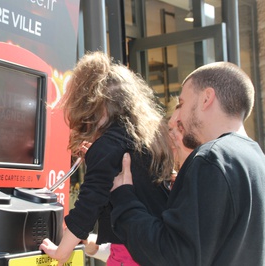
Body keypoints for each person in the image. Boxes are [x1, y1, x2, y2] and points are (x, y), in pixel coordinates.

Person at [110, 61, 265, 265]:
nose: (178, 116)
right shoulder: (256, 159)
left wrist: (124, 199)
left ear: (207, 98)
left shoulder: (211, 158)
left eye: (181, 103)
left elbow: (174, 256)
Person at [39, 51, 174, 265]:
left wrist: (62, 251)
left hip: (130, 255)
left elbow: (90, 202)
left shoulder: (108, 146)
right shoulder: (146, 140)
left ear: (90, 102)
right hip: (156, 248)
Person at [83, 107, 193, 263]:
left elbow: (160, 248)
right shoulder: (163, 181)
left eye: (179, 129)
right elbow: (133, 245)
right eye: (170, 129)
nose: (172, 136)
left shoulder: (188, 187)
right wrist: (97, 249)